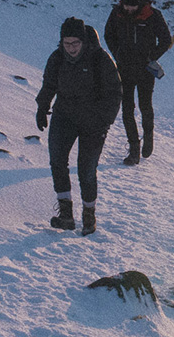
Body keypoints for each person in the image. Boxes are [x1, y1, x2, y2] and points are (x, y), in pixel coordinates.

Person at [36, 17, 121, 233]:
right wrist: (42, 107)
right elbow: (49, 84)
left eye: (75, 43)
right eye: (67, 43)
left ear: (83, 41)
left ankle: (89, 216)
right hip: (64, 116)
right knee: (57, 161)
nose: (71, 48)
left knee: (86, 169)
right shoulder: (57, 59)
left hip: (94, 122)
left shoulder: (100, 60)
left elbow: (114, 93)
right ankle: (66, 215)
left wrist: (104, 121)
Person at [104, 0, 174, 165]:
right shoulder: (116, 14)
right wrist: (117, 52)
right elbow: (108, 34)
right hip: (124, 68)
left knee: (145, 106)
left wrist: (152, 56)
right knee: (127, 109)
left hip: (145, 69)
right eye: (126, 5)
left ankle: (148, 135)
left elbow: (166, 39)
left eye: (132, 6)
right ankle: (134, 149)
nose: (129, 9)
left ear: (139, 3)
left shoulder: (152, 15)